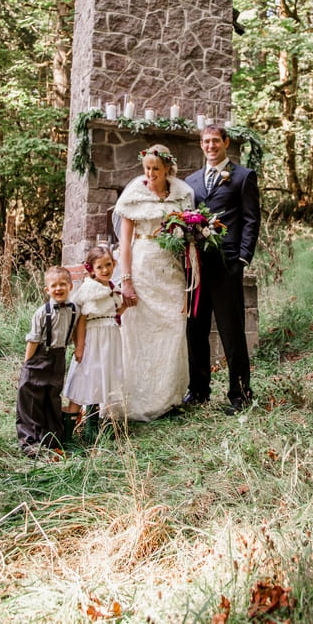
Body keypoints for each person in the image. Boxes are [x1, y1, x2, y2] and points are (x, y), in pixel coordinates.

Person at [114, 144, 194, 421]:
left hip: (171, 273)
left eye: (155, 170)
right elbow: (124, 243)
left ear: (167, 169)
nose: (149, 174)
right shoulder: (134, 196)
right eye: (146, 169)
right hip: (142, 269)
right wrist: (126, 281)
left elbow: (188, 239)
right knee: (141, 334)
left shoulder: (182, 196)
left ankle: (168, 399)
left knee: (173, 329)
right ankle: (138, 399)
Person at [185, 125, 260, 414]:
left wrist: (242, 258)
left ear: (225, 143)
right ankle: (199, 391)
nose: (211, 146)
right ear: (201, 145)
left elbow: (251, 220)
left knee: (232, 332)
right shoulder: (190, 182)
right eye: (206, 141)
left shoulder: (243, 177)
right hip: (196, 267)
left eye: (216, 140)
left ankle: (240, 395)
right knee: (195, 331)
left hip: (228, 265)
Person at [62, 245, 125, 443]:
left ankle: (94, 426)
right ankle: (72, 431)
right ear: (91, 269)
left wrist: (126, 307)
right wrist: (79, 346)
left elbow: (113, 313)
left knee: (102, 378)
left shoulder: (111, 288)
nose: (105, 270)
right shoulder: (89, 290)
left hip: (109, 337)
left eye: (108, 265)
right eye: (100, 267)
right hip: (94, 338)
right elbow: (80, 320)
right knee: (87, 377)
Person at [16, 265, 77, 455]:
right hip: (39, 356)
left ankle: (51, 438)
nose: (58, 289)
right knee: (30, 396)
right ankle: (29, 441)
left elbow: (74, 332)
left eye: (63, 284)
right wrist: (27, 365)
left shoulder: (75, 310)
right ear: (47, 290)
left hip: (59, 356)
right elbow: (33, 339)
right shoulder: (42, 312)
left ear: (70, 286)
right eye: (54, 285)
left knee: (52, 396)